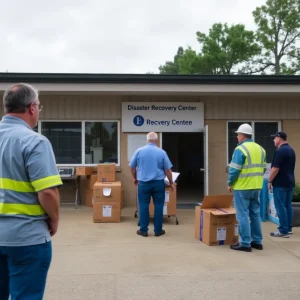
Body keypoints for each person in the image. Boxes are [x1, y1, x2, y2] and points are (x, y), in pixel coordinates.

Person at [0, 83, 62, 299]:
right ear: (32, 108)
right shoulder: (34, 142)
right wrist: (54, 219)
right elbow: (47, 192)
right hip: (26, 238)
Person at [227, 123, 266, 252]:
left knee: (242, 215)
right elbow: (264, 168)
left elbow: (234, 170)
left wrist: (230, 183)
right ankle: (257, 241)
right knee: (255, 214)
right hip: (257, 186)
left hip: (243, 187)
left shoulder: (240, 149)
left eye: (238, 134)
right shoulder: (261, 149)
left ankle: (245, 243)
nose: (237, 137)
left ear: (243, 135)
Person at [129, 132, 174, 237]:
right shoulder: (162, 152)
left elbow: (132, 167)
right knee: (158, 206)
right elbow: (168, 170)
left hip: (143, 183)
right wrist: (171, 183)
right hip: (158, 183)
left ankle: (143, 230)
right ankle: (158, 230)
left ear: (147, 140)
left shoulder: (139, 151)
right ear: (156, 140)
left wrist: (135, 178)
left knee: (143, 206)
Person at [268, 131, 296, 238]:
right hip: (289, 181)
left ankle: (282, 230)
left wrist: (270, 181)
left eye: (274, 138)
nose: (273, 140)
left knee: (280, 207)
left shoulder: (280, 151)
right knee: (288, 206)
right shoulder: (291, 150)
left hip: (280, 183)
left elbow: (275, 168)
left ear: (279, 139)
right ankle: (288, 228)